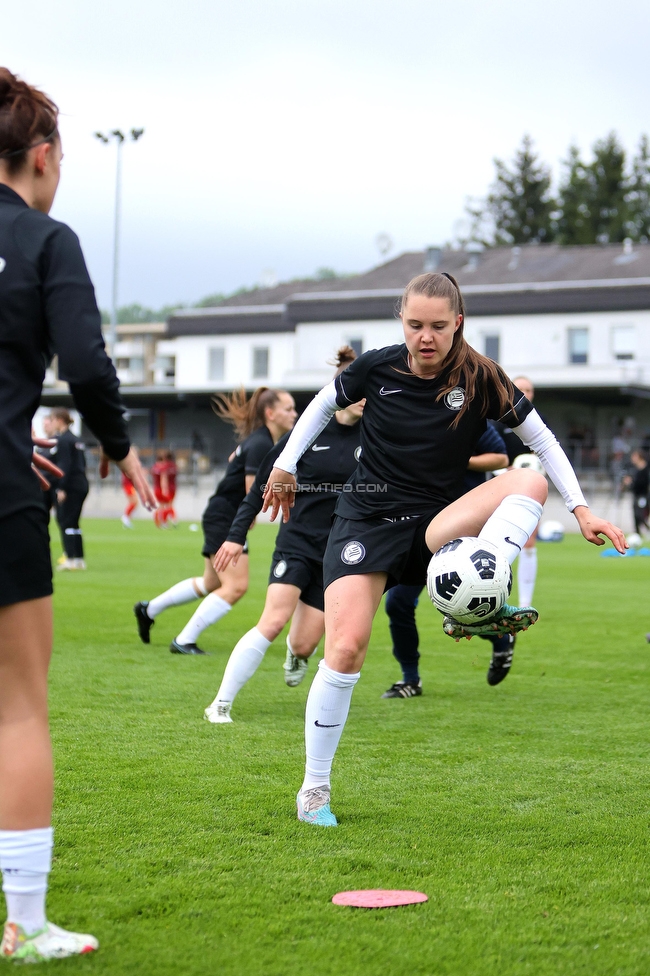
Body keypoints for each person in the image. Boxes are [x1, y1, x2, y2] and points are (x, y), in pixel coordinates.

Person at [262, 271, 625, 827]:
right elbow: (317, 407)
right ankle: (314, 790)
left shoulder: (481, 377)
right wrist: (286, 463)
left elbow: (542, 442)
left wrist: (581, 509)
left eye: (436, 326)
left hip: (438, 523)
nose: (424, 337)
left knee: (527, 481)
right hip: (366, 518)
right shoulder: (376, 368)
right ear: (400, 322)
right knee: (348, 648)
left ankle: (480, 599)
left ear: (458, 323)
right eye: (414, 325)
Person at [0, 67, 155, 961]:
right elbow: (90, 368)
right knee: (17, 711)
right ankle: (23, 922)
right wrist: (123, 450)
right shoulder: (44, 238)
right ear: (46, 156)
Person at [204, 347, 364, 723]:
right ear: (339, 389)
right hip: (296, 542)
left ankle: (297, 654)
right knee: (273, 619)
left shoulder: (374, 436)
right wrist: (234, 536)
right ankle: (221, 703)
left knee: (305, 643)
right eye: (358, 391)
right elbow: (259, 486)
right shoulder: (306, 431)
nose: (365, 400)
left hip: (338, 551)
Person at [134, 388, 297, 654]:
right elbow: (251, 490)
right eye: (288, 409)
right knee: (235, 586)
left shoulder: (261, 441)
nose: (294, 413)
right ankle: (184, 641)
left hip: (222, 514)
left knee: (212, 583)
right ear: (270, 413)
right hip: (225, 518)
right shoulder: (260, 444)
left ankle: (148, 609)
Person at [382, 422, 510, 699]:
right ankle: (410, 680)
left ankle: (499, 636)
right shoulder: (403, 415)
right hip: (415, 526)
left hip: (459, 529)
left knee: (460, 606)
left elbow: (500, 458)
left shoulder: (468, 417)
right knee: (397, 603)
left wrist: (454, 456)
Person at [493, 376, 541, 610]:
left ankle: (525, 603)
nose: (525, 392)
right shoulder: (497, 421)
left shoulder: (539, 422)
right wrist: (507, 469)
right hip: (499, 491)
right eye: (520, 388)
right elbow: (490, 456)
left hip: (529, 491)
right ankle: (495, 598)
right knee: (499, 545)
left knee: (529, 543)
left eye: (528, 389)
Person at [41, 408, 89, 570]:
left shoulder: (63, 440)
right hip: (81, 483)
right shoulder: (76, 439)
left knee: (65, 520)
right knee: (74, 522)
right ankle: (79, 559)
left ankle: (70, 558)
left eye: (52, 420)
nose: (51, 424)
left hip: (70, 486)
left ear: (60, 421)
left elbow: (64, 465)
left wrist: (62, 487)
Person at [623, 450, 649, 536]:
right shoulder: (635, 469)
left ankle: (648, 530)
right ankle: (637, 533)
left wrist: (630, 482)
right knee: (635, 515)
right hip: (636, 495)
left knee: (640, 515)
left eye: (634, 457)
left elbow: (642, 483)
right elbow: (634, 485)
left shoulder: (646, 469)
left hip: (643, 496)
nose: (632, 459)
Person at [151, 449, 178, 528]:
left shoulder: (155, 467)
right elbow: (164, 478)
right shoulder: (171, 466)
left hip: (157, 488)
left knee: (162, 506)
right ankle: (170, 520)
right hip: (169, 489)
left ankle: (161, 521)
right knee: (168, 505)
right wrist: (164, 489)